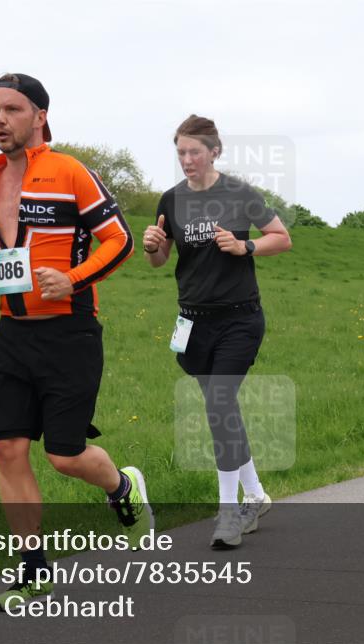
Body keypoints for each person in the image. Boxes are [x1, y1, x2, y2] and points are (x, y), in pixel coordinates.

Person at [0, 73, 152, 611]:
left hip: (70, 334)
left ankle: (121, 487)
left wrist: (76, 277)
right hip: (11, 335)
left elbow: (121, 240)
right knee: (7, 447)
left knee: (64, 456)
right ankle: (32, 572)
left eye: (12, 110)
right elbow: (2, 252)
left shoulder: (70, 173)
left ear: (38, 115)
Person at [142, 115, 292, 548]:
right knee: (220, 409)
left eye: (194, 152)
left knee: (220, 402)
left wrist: (245, 245)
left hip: (239, 319)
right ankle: (257, 494)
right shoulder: (170, 200)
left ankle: (228, 514)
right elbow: (160, 258)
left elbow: (280, 238)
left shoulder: (239, 193)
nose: (187, 160)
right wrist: (153, 246)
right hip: (193, 323)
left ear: (214, 151)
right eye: (181, 153)